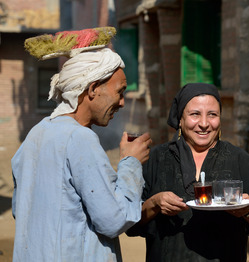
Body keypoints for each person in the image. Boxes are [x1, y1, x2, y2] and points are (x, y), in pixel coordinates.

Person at [11, 47, 152, 261]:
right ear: (93, 88)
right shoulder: (79, 138)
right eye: (119, 92)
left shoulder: (37, 133)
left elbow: (21, 209)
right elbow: (113, 220)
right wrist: (131, 162)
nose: (122, 102)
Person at [126, 83, 249, 261]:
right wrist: (154, 203)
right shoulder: (154, 160)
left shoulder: (243, 163)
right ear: (180, 119)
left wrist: (248, 211)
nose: (204, 124)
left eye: (212, 115)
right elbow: (128, 223)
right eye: (195, 114)